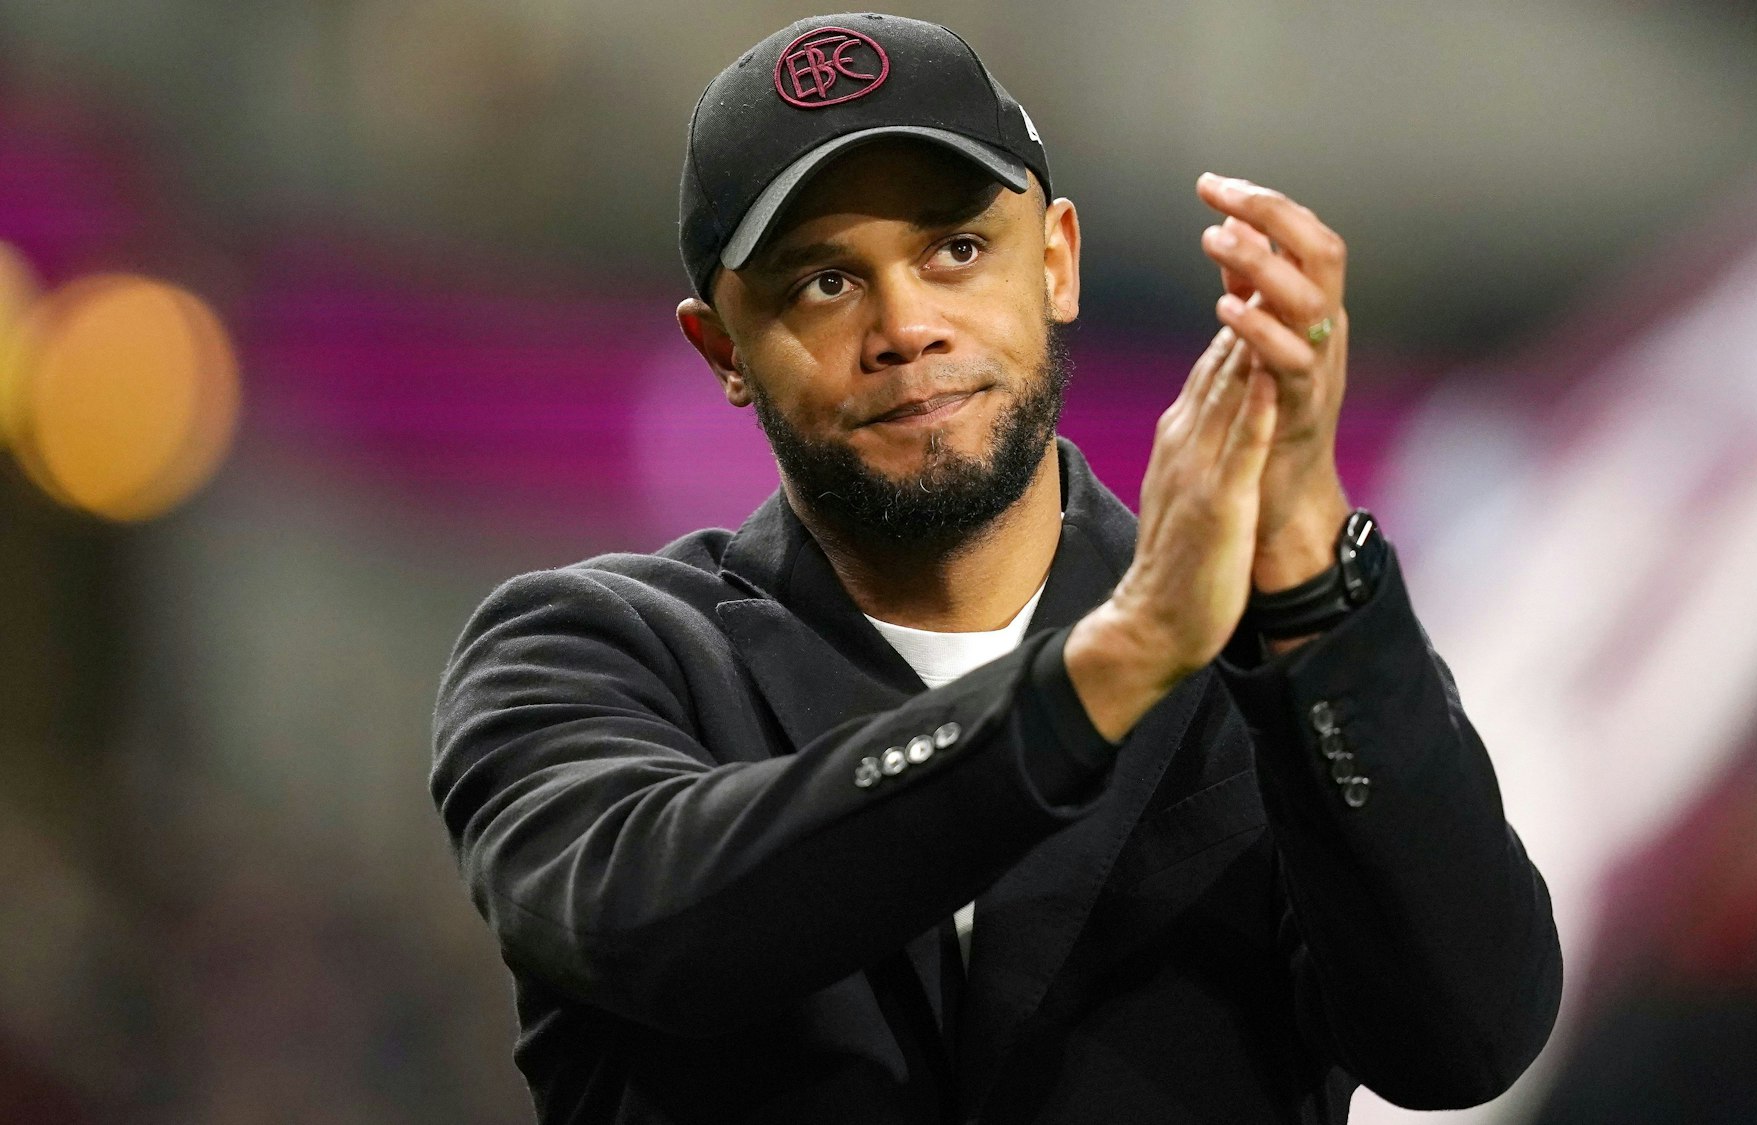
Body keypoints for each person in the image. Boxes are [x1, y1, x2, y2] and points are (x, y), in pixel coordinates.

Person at [430, 13, 1561, 1124]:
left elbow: (1462, 1041)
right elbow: (652, 925)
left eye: (955, 250)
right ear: (722, 348)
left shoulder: (1272, 658)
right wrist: (1114, 665)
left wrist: (1312, 581)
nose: (905, 325)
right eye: (823, 282)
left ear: (1057, 261)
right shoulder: (590, 650)